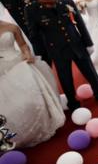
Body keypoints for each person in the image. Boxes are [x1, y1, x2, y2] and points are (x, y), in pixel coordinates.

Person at [25, 0, 98, 110]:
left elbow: (80, 23)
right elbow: (34, 34)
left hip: (76, 43)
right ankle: (72, 102)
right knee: (65, 77)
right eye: (45, 3)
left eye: (52, 2)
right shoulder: (31, 9)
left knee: (90, 72)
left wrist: (88, 43)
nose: (50, 5)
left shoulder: (67, 2)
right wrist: (40, 54)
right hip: (56, 48)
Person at [0, 19, 65, 148]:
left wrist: (27, 54)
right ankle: (18, 132)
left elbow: (23, 45)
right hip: (2, 69)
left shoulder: (12, 27)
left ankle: (40, 125)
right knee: (8, 102)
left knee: (30, 96)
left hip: (18, 63)